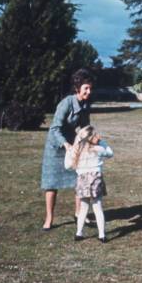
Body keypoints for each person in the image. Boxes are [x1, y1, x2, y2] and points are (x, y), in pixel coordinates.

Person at [40, 68, 94, 231]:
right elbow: (54, 128)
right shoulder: (66, 103)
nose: (89, 91)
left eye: (90, 88)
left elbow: (85, 128)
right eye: (86, 88)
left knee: (79, 180)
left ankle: (79, 214)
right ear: (78, 88)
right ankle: (49, 218)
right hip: (55, 146)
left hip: (72, 146)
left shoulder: (85, 105)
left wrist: (91, 142)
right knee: (51, 183)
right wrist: (66, 144)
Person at [65, 125, 114, 243]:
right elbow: (110, 153)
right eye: (96, 135)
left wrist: (69, 151)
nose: (99, 136)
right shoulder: (99, 149)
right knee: (98, 207)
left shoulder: (77, 151)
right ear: (90, 138)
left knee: (83, 208)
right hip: (96, 180)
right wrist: (102, 142)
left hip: (82, 181)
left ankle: (79, 233)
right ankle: (102, 235)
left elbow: (67, 166)